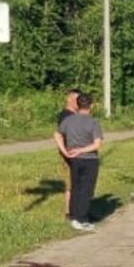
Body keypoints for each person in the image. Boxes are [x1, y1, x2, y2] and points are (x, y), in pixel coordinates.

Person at [54, 93, 104, 232]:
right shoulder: (93, 122)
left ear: (77, 104)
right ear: (91, 106)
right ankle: (82, 219)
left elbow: (57, 135)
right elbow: (97, 144)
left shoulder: (68, 120)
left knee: (75, 187)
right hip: (89, 159)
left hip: (73, 159)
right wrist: (82, 150)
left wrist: (65, 151)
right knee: (86, 190)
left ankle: (74, 216)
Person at [56, 88, 81, 219]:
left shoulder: (77, 115)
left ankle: (79, 209)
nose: (79, 102)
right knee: (70, 183)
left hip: (79, 152)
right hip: (69, 153)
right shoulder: (65, 115)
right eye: (76, 100)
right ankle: (69, 211)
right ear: (69, 99)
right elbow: (62, 135)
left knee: (79, 182)